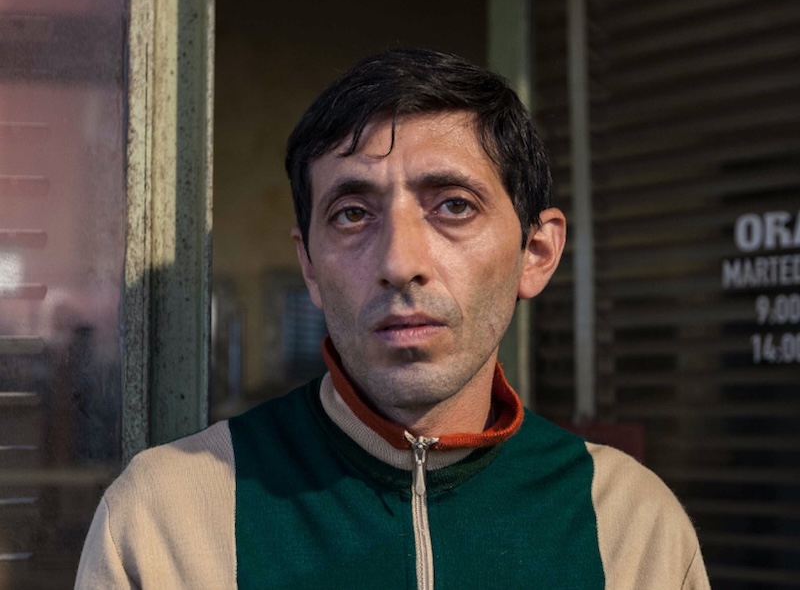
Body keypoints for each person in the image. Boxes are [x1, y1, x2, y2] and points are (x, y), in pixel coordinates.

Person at [75, 48, 709, 589]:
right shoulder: (166, 520)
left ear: (536, 253)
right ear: (309, 267)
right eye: (353, 214)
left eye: (454, 206)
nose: (400, 263)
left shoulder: (629, 525)